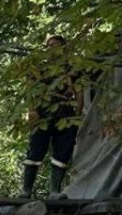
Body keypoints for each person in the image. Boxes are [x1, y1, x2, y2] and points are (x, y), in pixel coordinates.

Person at [22, 35, 82, 198]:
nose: (52, 48)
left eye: (56, 45)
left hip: (66, 111)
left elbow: (79, 89)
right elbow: (30, 89)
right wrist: (31, 110)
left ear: (64, 47)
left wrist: (78, 112)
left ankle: (54, 191)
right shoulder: (39, 67)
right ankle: (26, 190)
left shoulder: (71, 67)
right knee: (35, 149)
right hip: (43, 111)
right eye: (49, 45)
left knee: (63, 151)